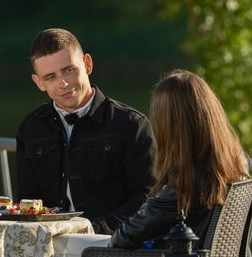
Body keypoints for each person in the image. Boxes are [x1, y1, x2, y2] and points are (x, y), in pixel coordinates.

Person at [54, 69, 250, 257]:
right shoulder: (231, 165)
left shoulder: (184, 183)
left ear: (170, 124)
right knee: (59, 246)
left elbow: (123, 239)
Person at [16, 28, 156, 234]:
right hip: (50, 244)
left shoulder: (131, 124)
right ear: (39, 83)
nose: (63, 83)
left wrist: (93, 229)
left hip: (113, 245)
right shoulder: (30, 129)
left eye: (69, 70)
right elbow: (28, 201)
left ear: (87, 64)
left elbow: (147, 198)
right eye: (51, 77)